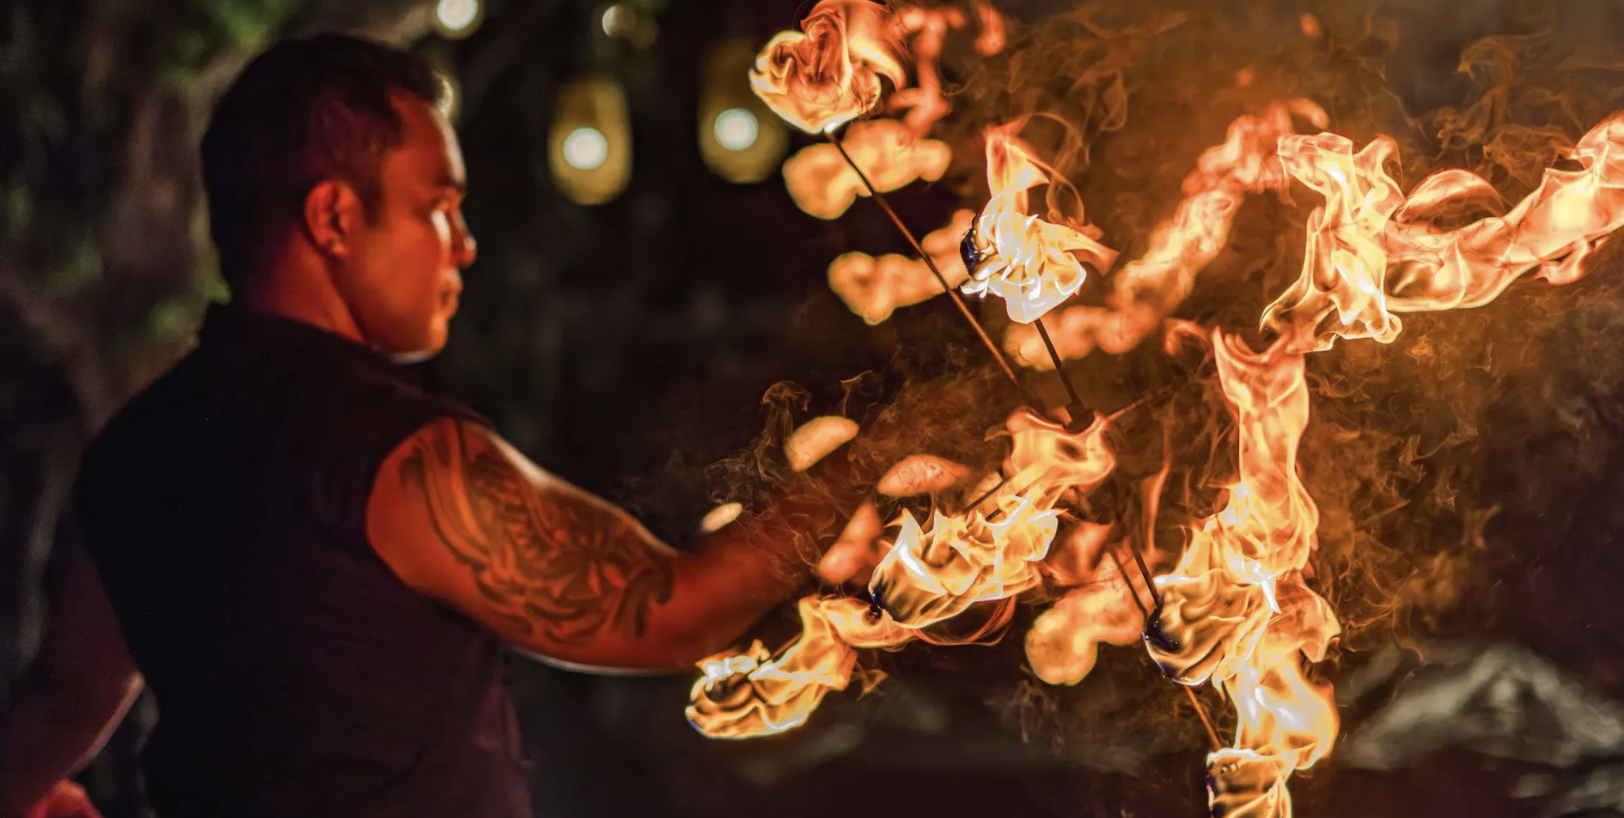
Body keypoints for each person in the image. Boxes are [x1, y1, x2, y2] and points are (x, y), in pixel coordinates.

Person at [73, 34, 880, 818]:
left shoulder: (131, 452)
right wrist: (885, 450)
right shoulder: (393, 455)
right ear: (334, 218)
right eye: (439, 207)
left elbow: (69, 694)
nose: (463, 247)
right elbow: (674, 611)